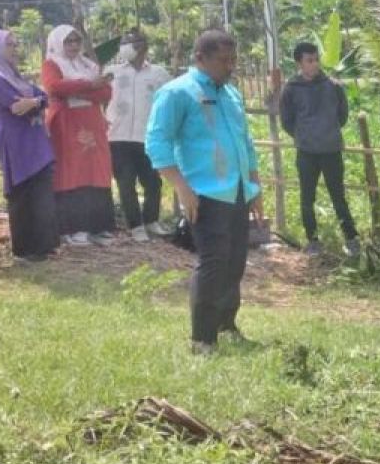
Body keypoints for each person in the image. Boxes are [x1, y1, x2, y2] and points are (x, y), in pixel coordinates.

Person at [146, 30, 264, 355]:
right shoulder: (176, 93)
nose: (230, 67)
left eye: (233, 60)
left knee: (235, 262)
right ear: (201, 58)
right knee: (213, 263)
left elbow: (246, 143)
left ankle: (227, 325)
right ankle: (202, 339)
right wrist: (182, 189)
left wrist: (254, 187)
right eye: (223, 61)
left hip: (238, 190)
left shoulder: (231, 94)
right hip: (204, 194)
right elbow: (157, 142)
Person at [0, 30, 59, 261]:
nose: (14, 49)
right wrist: (35, 102)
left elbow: (44, 98)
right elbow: (17, 106)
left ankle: (43, 247)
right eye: (9, 45)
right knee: (22, 192)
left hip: (35, 139)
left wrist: (35, 101)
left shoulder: (14, 76)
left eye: (15, 44)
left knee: (41, 191)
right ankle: (25, 250)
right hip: (16, 141)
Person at [279, 41, 360, 257]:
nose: (314, 64)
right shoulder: (291, 89)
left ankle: (352, 239)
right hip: (306, 152)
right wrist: (303, 136)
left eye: (316, 60)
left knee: (338, 196)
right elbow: (286, 120)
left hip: (331, 150)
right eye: (309, 61)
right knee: (307, 197)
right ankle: (312, 240)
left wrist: (328, 132)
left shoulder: (333, 86)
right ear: (299, 63)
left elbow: (342, 116)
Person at [41, 24, 116, 246]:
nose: (74, 46)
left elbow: (106, 92)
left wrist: (79, 89)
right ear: (57, 43)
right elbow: (54, 87)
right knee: (71, 172)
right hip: (66, 123)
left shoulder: (89, 64)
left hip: (92, 122)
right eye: (68, 41)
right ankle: (72, 229)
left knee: (97, 170)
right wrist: (90, 85)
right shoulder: (52, 64)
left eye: (77, 41)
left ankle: (97, 227)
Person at [106, 29, 171, 242]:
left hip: (147, 135)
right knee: (126, 183)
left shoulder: (158, 73)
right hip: (118, 135)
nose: (125, 45)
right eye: (123, 41)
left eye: (130, 42)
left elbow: (170, 99)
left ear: (143, 46)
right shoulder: (112, 72)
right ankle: (135, 226)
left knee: (152, 182)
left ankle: (151, 220)